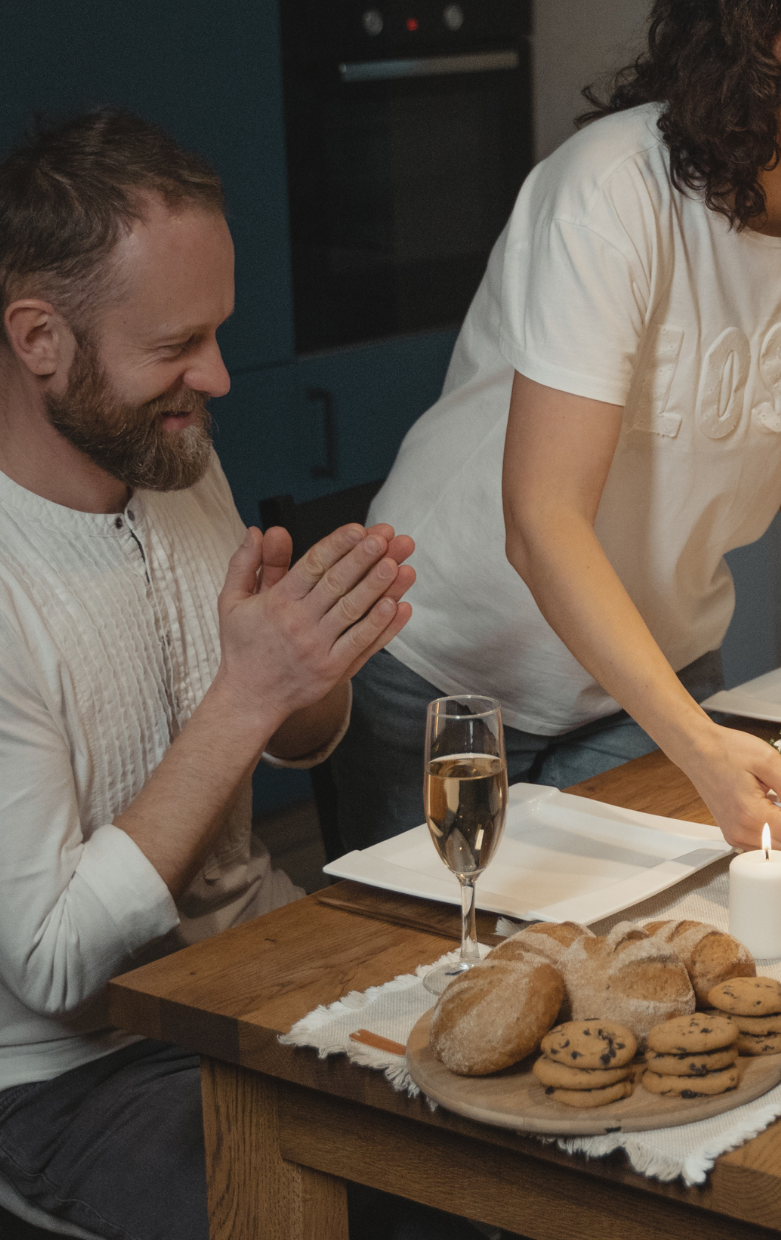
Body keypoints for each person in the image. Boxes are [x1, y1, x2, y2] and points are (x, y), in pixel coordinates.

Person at [331, 0, 781, 853]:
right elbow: (542, 520)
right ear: (750, 37)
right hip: (449, 676)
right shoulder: (613, 191)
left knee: (693, 922)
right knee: (451, 935)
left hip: (645, 678)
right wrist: (697, 742)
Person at [0, 110, 416, 1239]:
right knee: (380, 1214)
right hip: (75, 1072)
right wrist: (247, 693)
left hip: (256, 965)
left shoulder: (169, 456)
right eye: (177, 345)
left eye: (220, 333)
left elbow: (290, 737)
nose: (218, 376)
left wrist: (306, 670)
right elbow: (52, 965)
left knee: (525, 1130)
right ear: (39, 339)